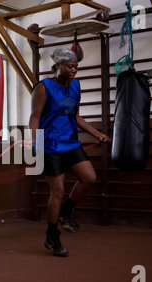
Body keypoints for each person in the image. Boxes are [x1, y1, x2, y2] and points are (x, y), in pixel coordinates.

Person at [28, 48, 110, 257]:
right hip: (50, 145)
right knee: (58, 192)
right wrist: (34, 143)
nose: (74, 71)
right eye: (70, 66)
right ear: (57, 66)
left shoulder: (75, 86)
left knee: (89, 177)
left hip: (71, 143)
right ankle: (52, 236)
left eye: (76, 67)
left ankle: (67, 211)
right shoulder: (43, 87)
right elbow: (35, 117)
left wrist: (96, 134)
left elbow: (76, 117)